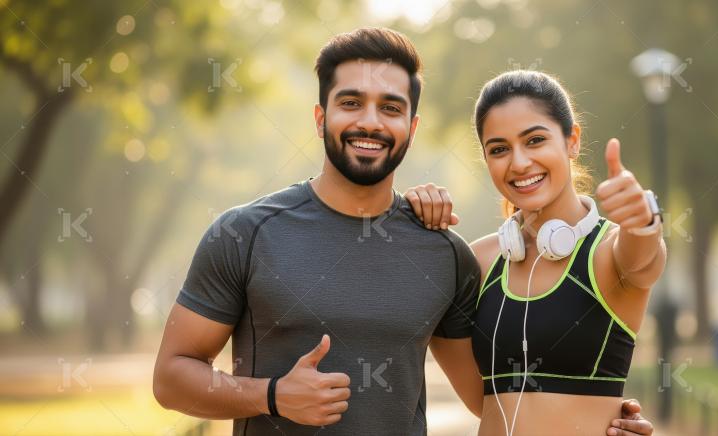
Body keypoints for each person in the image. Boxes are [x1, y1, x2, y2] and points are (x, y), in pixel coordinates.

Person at [153, 28, 655, 435]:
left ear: (412, 127)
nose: (370, 122)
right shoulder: (243, 233)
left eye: (390, 108)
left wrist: (597, 419)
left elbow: (498, 401)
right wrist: (271, 395)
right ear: (320, 116)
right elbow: (170, 378)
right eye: (351, 103)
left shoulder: (443, 254)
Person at [405, 70, 666, 436]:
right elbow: (481, 400)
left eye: (535, 140)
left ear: (572, 140)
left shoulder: (608, 253)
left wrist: (644, 221)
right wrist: (409, 221)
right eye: (499, 149)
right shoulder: (474, 264)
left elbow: (645, 260)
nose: (520, 163)